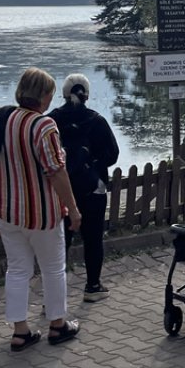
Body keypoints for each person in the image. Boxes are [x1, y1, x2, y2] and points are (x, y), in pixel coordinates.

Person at [0, 67, 81, 352]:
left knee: (17, 269)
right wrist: (73, 209)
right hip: (42, 212)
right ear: (44, 96)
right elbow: (56, 171)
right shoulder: (44, 126)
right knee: (52, 268)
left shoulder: (3, 119)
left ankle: (20, 330)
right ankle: (57, 324)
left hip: (8, 210)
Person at [49, 74, 121, 303]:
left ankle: (53, 296)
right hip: (92, 189)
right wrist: (95, 164)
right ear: (87, 95)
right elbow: (113, 154)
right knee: (93, 237)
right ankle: (92, 286)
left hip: (59, 190)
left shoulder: (52, 120)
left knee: (60, 242)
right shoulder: (97, 121)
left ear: (63, 93)